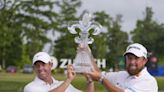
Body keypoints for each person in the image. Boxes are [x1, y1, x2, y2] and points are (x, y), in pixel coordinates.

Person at [88, 43, 158, 92]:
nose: (132, 62)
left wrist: (102, 79)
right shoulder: (121, 75)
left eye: (136, 58)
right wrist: (87, 52)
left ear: (144, 61)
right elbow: (97, 73)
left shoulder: (149, 81)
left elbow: (100, 77)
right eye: (130, 58)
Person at [24, 52, 93, 92]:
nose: (40, 68)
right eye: (37, 66)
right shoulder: (29, 87)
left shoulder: (62, 84)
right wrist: (68, 79)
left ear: (51, 65)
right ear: (34, 68)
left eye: (43, 64)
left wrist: (90, 80)